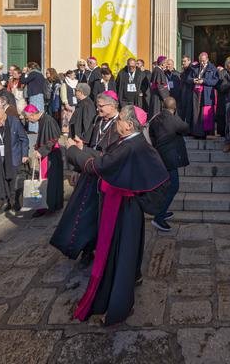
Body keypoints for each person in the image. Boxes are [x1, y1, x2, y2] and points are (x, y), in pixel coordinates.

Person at [67, 105, 169, 326]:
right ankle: (128, 284)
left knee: (121, 257)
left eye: (120, 119)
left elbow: (99, 166)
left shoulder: (131, 146)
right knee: (125, 254)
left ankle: (118, 307)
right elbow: (105, 156)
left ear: (130, 125)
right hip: (124, 207)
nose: (116, 122)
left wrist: (73, 152)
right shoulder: (131, 142)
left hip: (122, 209)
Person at [50, 91, 120, 264]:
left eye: (101, 106)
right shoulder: (97, 120)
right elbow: (86, 143)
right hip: (88, 174)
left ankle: (102, 251)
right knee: (82, 216)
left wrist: (82, 151)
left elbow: (111, 155)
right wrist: (77, 168)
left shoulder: (120, 124)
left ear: (112, 105)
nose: (98, 109)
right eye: (97, 105)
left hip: (106, 179)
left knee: (100, 218)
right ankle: (86, 251)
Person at [148, 96, 189, 231]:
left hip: (158, 156)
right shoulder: (173, 119)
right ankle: (159, 217)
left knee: (166, 186)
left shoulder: (156, 118)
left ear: (162, 106)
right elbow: (185, 128)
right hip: (170, 158)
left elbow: (151, 134)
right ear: (174, 108)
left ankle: (162, 211)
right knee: (174, 186)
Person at [0, 106, 30, 213]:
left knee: (13, 180)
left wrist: (24, 154)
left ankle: (15, 201)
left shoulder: (14, 122)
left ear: (5, 116)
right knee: (0, 179)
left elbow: (24, 139)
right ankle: (4, 201)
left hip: (13, 155)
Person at [25, 104, 63, 214]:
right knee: (51, 181)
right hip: (49, 154)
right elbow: (46, 138)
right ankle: (52, 205)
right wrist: (38, 145)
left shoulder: (48, 120)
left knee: (48, 181)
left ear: (32, 115)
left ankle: (47, 206)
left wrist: (41, 151)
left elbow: (53, 139)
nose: (28, 121)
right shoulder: (43, 119)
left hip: (50, 155)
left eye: (28, 118)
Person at [188, 51, 219, 139]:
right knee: (196, 113)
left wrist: (203, 81)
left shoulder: (213, 68)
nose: (202, 62)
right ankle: (197, 133)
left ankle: (206, 133)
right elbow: (188, 78)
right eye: (200, 61)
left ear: (207, 59)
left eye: (203, 61)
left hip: (207, 94)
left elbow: (215, 81)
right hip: (196, 94)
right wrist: (193, 80)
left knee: (204, 114)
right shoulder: (195, 68)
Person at [20, 63, 47, 132]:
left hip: (34, 95)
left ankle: (34, 129)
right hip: (40, 95)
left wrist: (23, 73)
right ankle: (40, 128)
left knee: (33, 111)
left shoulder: (33, 73)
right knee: (39, 111)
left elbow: (23, 81)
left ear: (30, 68)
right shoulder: (40, 74)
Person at [178, 56, 194, 127]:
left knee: (188, 112)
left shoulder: (191, 69)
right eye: (182, 61)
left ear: (189, 61)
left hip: (189, 93)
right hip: (183, 93)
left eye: (185, 61)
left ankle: (188, 127)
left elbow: (189, 80)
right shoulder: (184, 70)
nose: (183, 63)